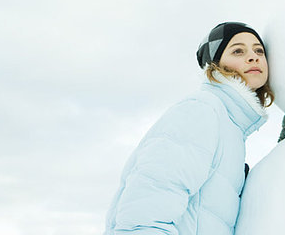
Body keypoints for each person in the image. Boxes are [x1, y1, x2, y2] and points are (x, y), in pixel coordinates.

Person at [105, 22, 273, 235]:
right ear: (215, 64)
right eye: (238, 50)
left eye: (259, 50)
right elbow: (148, 207)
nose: (253, 56)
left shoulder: (232, 128)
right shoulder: (202, 109)